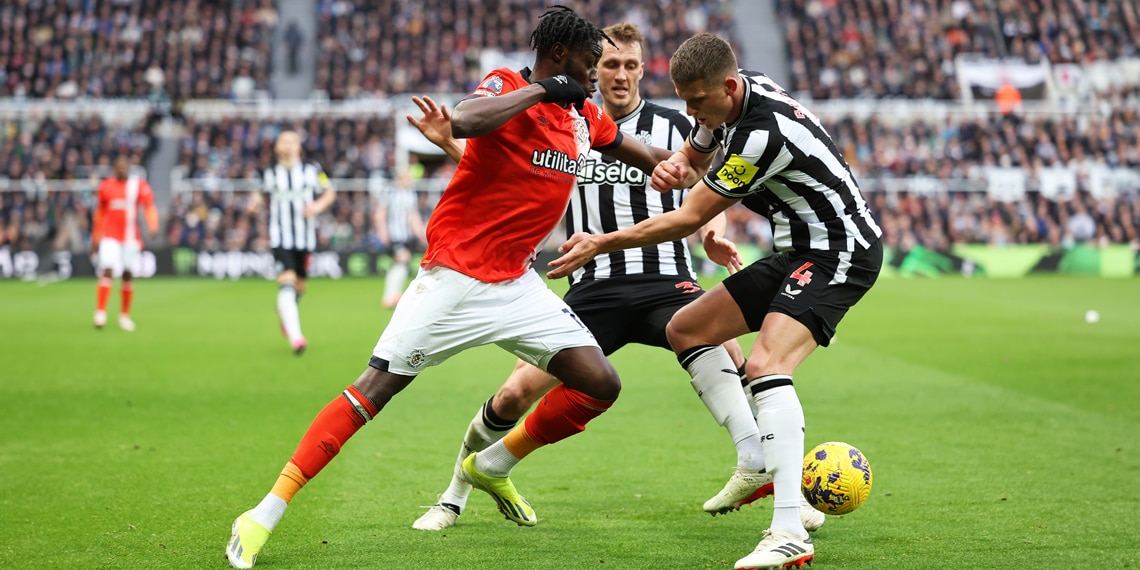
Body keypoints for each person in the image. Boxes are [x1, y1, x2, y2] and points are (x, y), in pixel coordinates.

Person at [225, 7, 679, 568]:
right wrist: (540, 91)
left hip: (517, 284)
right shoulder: (511, 87)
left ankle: (491, 464)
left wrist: (684, 166)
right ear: (559, 59)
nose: (595, 79)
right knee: (374, 390)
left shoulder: (584, 114)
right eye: (589, 65)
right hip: (454, 276)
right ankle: (263, 513)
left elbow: (649, 156)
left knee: (600, 383)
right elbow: (464, 120)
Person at [406, 23, 823, 535]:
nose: (621, 75)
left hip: (666, 279)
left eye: (631, 65)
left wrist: (714, 231)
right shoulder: (569, 121)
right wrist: (452, 144)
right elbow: (512, 177)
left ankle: (778, 484)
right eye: (610, 65)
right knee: (515, 393)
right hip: (592, 288)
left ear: (642, 69)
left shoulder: (682, 126)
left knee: (725, 349)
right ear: (591, 68)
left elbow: (707, 185)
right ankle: (454, 493)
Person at [548, 33, 883, 570]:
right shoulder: (731, 97)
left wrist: (602, 241)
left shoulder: (761, 134)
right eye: (683, 100)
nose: (690, 112)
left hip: (838, 252)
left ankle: (789, 529)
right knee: (687, 329)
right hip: (797, 249)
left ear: (727, 87)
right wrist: (678, 163)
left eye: (697, 102)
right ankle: (755, 458)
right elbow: (698, 147)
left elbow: (686, 218)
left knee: (768, 365)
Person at [247, 129, 335, 355]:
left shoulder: (312, 170)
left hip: (305, 240)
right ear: (277, 147)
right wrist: (254, 203)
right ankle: (297, 339)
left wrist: (316, 207)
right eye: (283, 141)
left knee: (299, 290)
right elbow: (259, 193)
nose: (287, 145)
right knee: (286, 284)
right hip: (281, 239)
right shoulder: (269, 173)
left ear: (299, 147)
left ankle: (285, 311)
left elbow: (329, 192)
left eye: (292, 141)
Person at [90, 154, 158, 331]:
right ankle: (100, 312)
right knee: (108, 269)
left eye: (124, 166)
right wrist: (95, 237)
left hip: (130, 237)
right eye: (118, 166)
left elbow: (149, 205)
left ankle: (125, 315)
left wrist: (153, 225)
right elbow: (99, 214)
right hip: (110, 236)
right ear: (114, 169)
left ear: (129, 168)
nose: (122, 169)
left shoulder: (138, 185)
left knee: (127, 274)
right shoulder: (106, 187)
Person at [373, 169, 425, 309]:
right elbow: (380, 213)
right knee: (403, 259)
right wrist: (382, 232)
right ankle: (392, 296)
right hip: (393, 235)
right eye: (407, 177)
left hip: (405, 237)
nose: (410, 180)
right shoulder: (390, 192)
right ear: (400, 178)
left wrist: (421, 233)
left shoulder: (410, 195)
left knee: (399, 264)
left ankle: (391, 296)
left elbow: (413, 216)